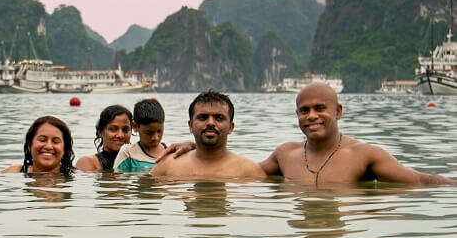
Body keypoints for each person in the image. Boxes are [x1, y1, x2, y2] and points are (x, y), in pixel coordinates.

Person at [162, 83, 456, 185]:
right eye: (304, 110)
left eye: (320, 108)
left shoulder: (364, 155)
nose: (312, 116)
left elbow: (418, 180)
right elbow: (231, 171)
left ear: (338, 112)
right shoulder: (285, 155)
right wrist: (196, 144)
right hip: (302, 225)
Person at [151, 90, 266, 179]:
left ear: (231, 127)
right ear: (190, 125)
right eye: (203, 117)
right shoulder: (168, 166)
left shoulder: (250, 171)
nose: (210, 122)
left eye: (219, 118)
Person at [2, 115, 74, 174]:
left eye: (55, 141)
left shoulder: (77, 175)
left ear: (65, 148)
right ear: (30, 144)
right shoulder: (13, 172)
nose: (48, 146)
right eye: (42, 140)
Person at [114, 98, 167, 172]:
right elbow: (118, 180)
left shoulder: (169, 152)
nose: (155, 137)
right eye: (149, 133)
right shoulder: (128, 153)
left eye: (159, 131)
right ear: (135, 126)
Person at [75, 105, 132, 171]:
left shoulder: (138, 160)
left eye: (125, 130)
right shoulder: (88, 162)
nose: (120, 135)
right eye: (113, 129)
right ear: (101, 132)